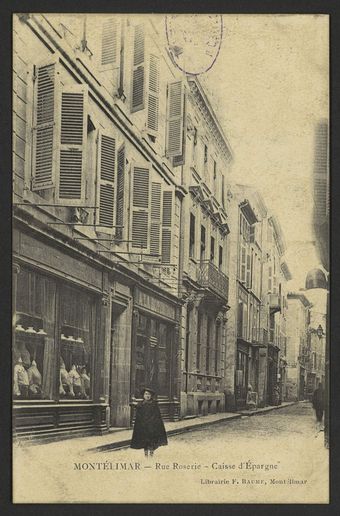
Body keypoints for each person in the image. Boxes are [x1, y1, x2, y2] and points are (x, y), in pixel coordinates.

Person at [130, 387, 168, 457]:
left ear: (151, 396)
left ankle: (151, 455)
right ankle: (146, 455)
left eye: (149, 394)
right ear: (143, 395)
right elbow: (138, 417)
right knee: (145, 443)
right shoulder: (141, 405)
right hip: (143, 427)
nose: (147, 396)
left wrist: (152, 423)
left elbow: (157, 416)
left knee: (152, 442)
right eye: (146, 394)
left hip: (152, 426)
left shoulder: (154, 404)